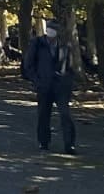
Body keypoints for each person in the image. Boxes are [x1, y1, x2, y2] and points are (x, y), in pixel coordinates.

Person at [25, 20, 78, 154]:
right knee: (43, 114)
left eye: (53, 30)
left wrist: (68, 81)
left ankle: (69, 144)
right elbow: (28, 64)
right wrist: (37, 81)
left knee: (65, 114)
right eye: (49, 29)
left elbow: (71, 66)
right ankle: (43, 141)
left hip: (61, 86)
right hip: (44, 85)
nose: (51, 32)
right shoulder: (37, 44)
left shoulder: (64, 45)